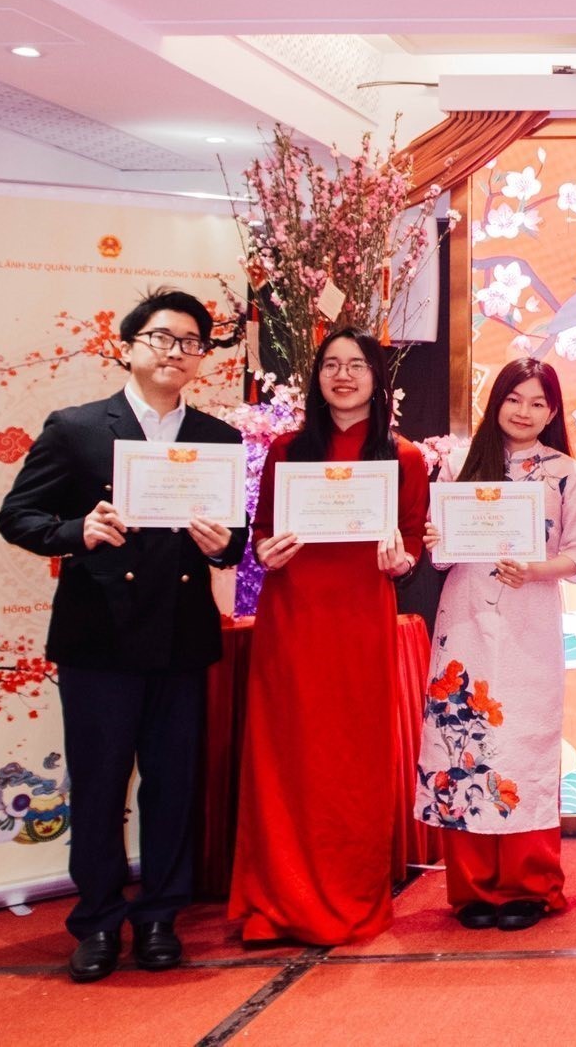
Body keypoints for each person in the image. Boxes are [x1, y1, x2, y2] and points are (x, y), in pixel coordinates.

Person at [0, 289, 245, 983]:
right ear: (129, 345)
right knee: (101, 787)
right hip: (98, 641)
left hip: (181, 640)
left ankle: (161, 916)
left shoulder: (218, 439)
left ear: (202, 359)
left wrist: (225, 544)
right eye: (162, 337)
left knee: (171, 786)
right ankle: (98, 922)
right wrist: (78, 531)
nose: (176, 352)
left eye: (191, 342)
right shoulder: (77, 428)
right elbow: (17, 515)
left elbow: (236, 541)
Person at [230, 328, 429, 945]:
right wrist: (267, 551)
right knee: (286, 756)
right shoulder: (289, 450)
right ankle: (278, 898)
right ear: (318, 378)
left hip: (360, 620)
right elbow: (261, 535)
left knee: (351, 760)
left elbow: (413, 541)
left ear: (377, 378)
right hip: (292, 620)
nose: (343, 375)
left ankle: (350, 894)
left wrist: (402, 561)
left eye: (357, 365)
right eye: (331, 365)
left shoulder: (406, 457)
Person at [415, 359, 576, 929]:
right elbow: (441, 556)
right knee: (462, 745)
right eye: (515, 399)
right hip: (464, 621)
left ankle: (528, 885)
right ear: (497, 403)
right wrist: (437, 535)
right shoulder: (460, 466)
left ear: (553, 412)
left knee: (523, 745)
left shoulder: (565, 473)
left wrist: (537, 570)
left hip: (529, 622)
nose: (525, 411)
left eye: (538, 403)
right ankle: (472, 889)